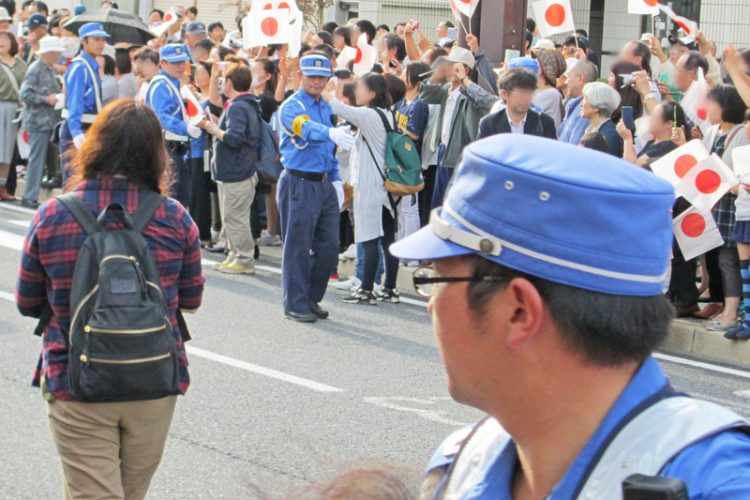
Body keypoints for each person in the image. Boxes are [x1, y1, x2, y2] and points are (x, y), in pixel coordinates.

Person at [389, 134, 750, 499]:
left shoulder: (720, 486)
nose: (431, 305)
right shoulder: (461, 463)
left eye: (434, 278)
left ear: (519, 311)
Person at [16, 98, 205, 500]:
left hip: (75, 378)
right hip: (153, 378)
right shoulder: (175, 218)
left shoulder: (53, 215)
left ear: (94, 145)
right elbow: (191, 298)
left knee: (91, 491)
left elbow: (27, 300)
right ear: (157, 154)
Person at [277, 53, 354, 322]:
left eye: (322, 77)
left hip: (322, 182)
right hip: (299, 181)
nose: (317, 82)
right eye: (312, 76)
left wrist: (335, 179)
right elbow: (303, 128)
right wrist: (329, 132)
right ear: (300, 76)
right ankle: (295, 303)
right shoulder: (291, 106)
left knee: (329, 246)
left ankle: (311, 298)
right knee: (297, 246)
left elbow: (329, 149)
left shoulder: (324, 106)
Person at [329, 73, 400, 305]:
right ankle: (389, 287)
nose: (356, 92)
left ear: (372, 93)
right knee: (387, 238)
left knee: (369, 238)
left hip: (372, 184)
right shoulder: (387, 114)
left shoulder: (369, 115)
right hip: (387, 185)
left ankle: (366, 289)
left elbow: (338, 108)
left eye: (359, 88)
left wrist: (333, 84)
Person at [200, 63, 261, 275]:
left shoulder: (238, 106)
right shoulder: (245, 104)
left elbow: (234, 138)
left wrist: (212, 128)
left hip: (237, 171)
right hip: (234, 171)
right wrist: (218, 126)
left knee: (236, 218)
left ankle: (244, 258)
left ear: (229, 83)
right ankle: (234, 255)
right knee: (230, 218)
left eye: (223, 80)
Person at [701, 85, 750, 335]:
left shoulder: (743, 133)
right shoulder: (710, 132)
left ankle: (732, 311)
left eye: (713, 104)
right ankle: (724, 306)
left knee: (729, 258)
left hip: (733, 204)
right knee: (718, 257)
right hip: (715, 203)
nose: (708, 109)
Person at [420, 46, 495, 209]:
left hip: (459, 151)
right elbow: (425, 96)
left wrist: (464, 79)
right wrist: (435, 76)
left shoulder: (469, 92)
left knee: (453, 203)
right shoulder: (447, 89)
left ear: (465, 69)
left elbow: (488, 102)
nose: (449, 69)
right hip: (442, 149)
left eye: (454, 65)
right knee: (439, 202)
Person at [145, 43, 202, 207]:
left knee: (181, 198)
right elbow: (162, 116)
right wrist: (186, 128)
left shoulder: (172, 83)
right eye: (175, 63)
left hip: (176, 148)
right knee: (173, 199)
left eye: (182, 62)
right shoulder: (161, 85)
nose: (180, 66)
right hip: (167, 148)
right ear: (162, 63)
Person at [60, 22, 109, 186]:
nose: (101, 44)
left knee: (86, 181)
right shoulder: (80, 67)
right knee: (73, 181)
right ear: (84, 41)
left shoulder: (91, 66)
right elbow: (75, 102)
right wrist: (76, 132)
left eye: (103, 40)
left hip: (88, 127)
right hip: (78, 127)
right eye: (96, 39)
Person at [19, 35, 62, 209]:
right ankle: (29, 196)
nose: (58, 55)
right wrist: (46, 99)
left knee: (41, 159)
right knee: (36, 159)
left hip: (48, 120)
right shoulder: (35, 69)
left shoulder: (50, 69)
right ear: (50, 52)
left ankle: (31, 195)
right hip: (38, 121)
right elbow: (25, 95)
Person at [477, 69, 556, 140]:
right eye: (521, 93)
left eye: (530, 93)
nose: (527, 98)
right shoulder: (489, 124)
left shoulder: (544, 123)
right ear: (505, 94)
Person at [0, 30, 24, 200]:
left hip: (15, 107)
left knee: (8, 150)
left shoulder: (21, 65)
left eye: (4, 39)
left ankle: (2, 187)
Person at [558, 59, 597, 145]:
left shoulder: (584, 112)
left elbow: (574, 150)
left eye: (568, 76)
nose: (566, 81)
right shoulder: (575, 106)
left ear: (580, 79)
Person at [581, 81, 622, 157]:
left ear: (596, 107)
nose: (581, 103)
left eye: (585, 99)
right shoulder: (592, 130)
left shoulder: (608, 136)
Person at [532, 49, 566, 127]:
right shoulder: (538, 90)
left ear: (544, 69)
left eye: (536, 62)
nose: (533, 64)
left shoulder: (550, 94)